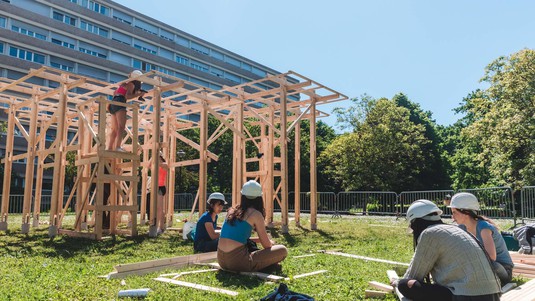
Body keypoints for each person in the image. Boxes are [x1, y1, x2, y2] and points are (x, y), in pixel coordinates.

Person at [393, 199, 501, 301]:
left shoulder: (430, 233)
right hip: (494, 295)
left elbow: (415, 274)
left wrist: (398, 282)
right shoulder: (457, 229)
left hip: (467, 296)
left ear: (415, 222)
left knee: (405, 285)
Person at [217, 180, 288, 272]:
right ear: (259, 198)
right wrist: (272, 244)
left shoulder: (232, 211)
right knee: (282, 250)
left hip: (221, 260)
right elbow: (266, 245)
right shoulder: (256, 214)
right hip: (237, 262)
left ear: (243, 196)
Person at [449, 192, 514, 284]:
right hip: (482, 266)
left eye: (454, 212)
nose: (452, 217)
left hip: (502, 269)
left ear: (466, 212)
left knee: (489, 264)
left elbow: (491, 257)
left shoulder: (483, 227)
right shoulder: (461, 228)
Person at [107, 70, 146, 151]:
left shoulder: (123, 85)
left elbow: (114, 93)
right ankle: (117, 147)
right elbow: (127, 96)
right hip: (120, 102)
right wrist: (139, 94)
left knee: (115, 129)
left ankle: (110, 148)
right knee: (121, 126)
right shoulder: (131, 84)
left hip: (113, 103)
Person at [156, 154, 168, 234]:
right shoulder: (156, 165)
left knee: (160, 209)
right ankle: (161, 227)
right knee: (158, 209)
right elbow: (150, 165)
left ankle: (160, 228)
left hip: (161, 188)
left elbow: (165, 165)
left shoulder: (164, 164)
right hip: (156, 188)